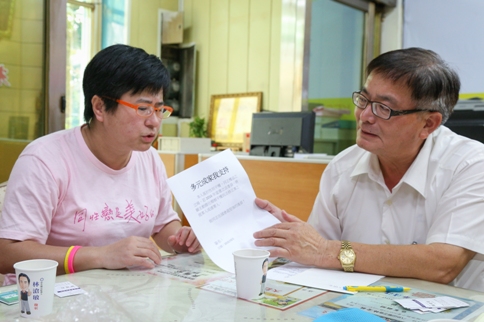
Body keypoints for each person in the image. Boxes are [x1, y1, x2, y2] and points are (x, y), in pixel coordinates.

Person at [253, 47, 484, 292]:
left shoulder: (470, 165)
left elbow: (443, 264)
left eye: (384, 108)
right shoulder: (342, 167)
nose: (364, 116)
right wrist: (289, 237)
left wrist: (325, 251)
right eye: (364, 100)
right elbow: (318, 254)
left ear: (428, 123)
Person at [0, 44, 201, 283]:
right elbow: (8, 252)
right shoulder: (44, 160)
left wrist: (180, 239)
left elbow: (162, 224)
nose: (155, 122)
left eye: (160, 109)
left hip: (125, 294)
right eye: (144, 108)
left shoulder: (150, 159)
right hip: (52, 299)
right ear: (100, 107)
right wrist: (100, 256)